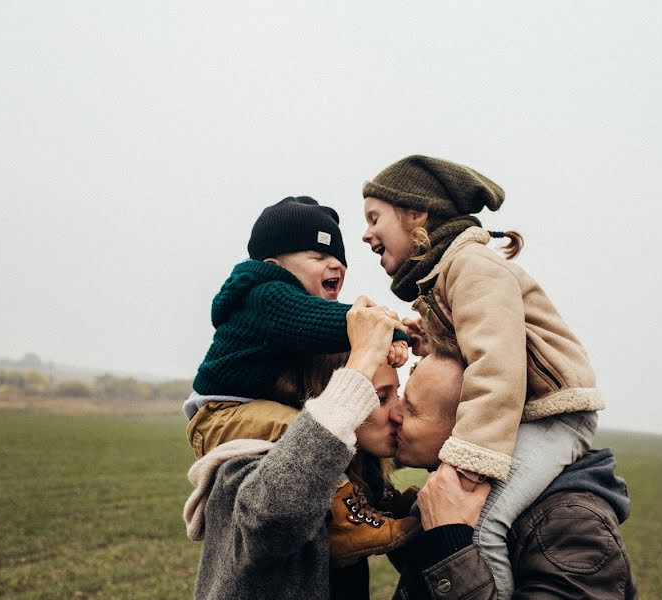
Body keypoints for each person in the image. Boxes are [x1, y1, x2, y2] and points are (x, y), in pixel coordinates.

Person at [362, 155, 605, 598]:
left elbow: (497, 367)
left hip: (552, 417)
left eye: (375, 217)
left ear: (416, 214)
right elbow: (469, 350)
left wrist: (468, 462)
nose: (366, 233)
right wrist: (418, 341)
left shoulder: (472, 267)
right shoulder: (445, 276)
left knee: (479, 522)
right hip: (523, 413)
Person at [184, 196, 417, 571]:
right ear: (275, 265)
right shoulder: (266, 295)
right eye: (316, 256)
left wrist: (392, 329)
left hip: (246, 409)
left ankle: (370, 501)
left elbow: (335, 321)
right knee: (308, 429)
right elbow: (324, 321)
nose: (334, 265)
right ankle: (346, 524)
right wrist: (390, 327)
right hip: (222, 414)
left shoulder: (288, 312)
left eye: (339, 260)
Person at [185, 297, 410, 599]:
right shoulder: (244, 469)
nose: (398, 413)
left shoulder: (362, 474)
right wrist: (359, 365)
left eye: (397, 393)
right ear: (331, 395)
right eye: (379, 398)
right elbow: (273, 520)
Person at [389, 351, 638, 599]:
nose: (393, 414)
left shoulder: (573, 527)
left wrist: (450, 545)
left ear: (475, 428)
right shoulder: (458, 494)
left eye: (411, 409)